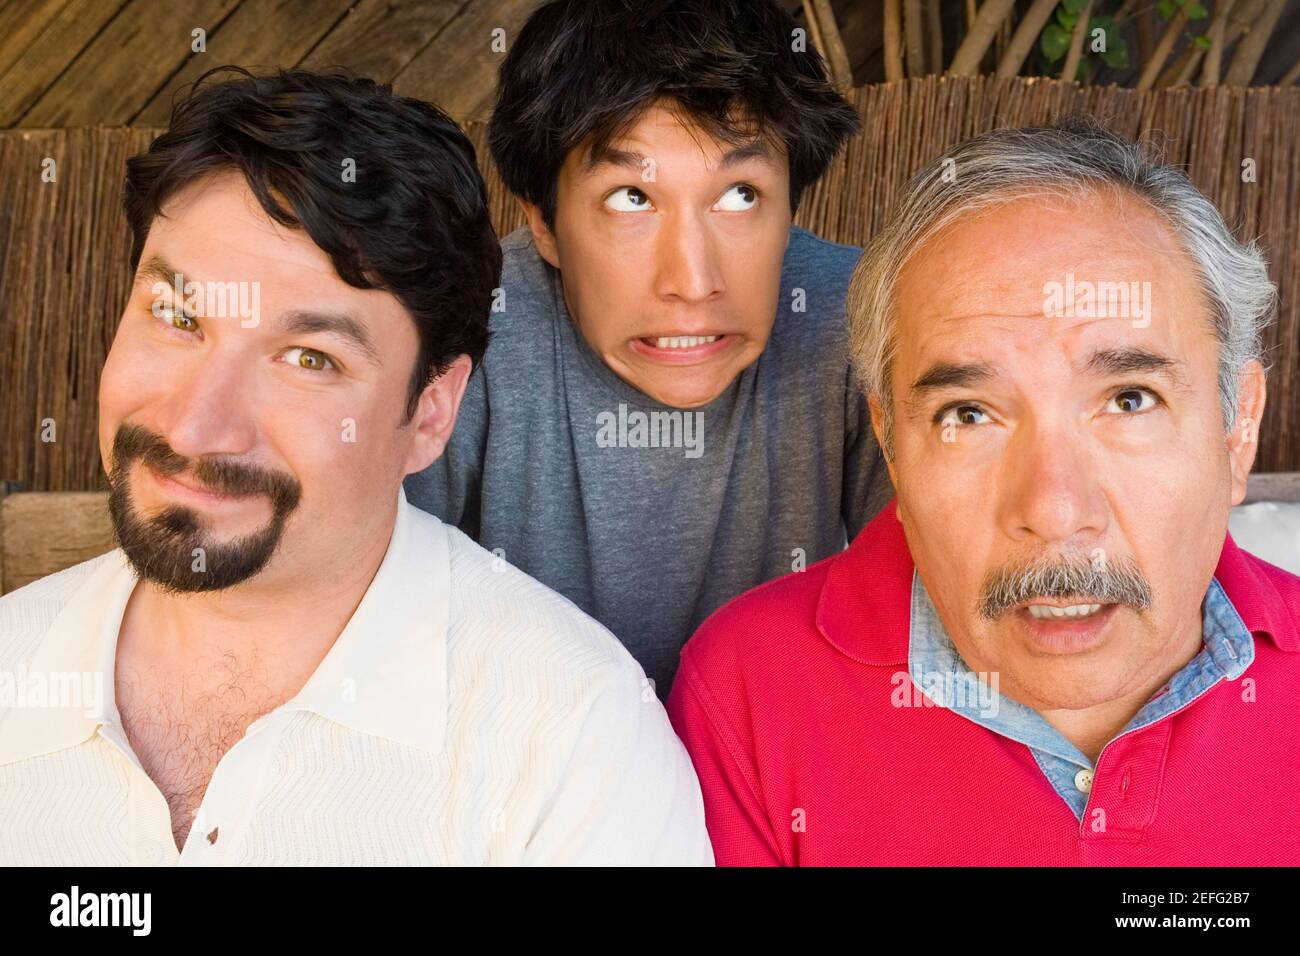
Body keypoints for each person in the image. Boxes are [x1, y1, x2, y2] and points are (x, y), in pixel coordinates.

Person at [0, 67, 712, 866]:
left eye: (308, 358)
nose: (197, 425)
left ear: (431, 413)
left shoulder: (575, 744)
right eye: (177, 317)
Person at [667, 120, 1300, 865]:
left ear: (1237, 427)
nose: (1055, 510)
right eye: (968, 415)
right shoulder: (749, 695)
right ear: (892, 444)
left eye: (1129, 399)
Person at [404, 0, 894, 700]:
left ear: (793, 207)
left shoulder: (858, 320)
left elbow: (931, 611)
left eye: (740, 194)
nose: (693, 282)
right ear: (543, 221)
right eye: (632, 197)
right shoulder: (468, 329)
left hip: (774, 772)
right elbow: (374, 624)